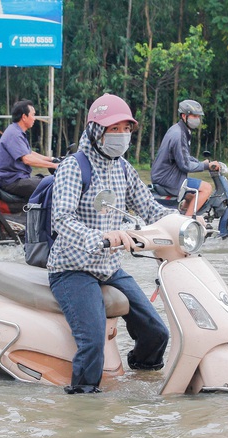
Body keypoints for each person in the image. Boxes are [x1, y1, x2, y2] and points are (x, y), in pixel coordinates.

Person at [48, 94, 174, 394]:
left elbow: (150, 208)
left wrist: (185, 222)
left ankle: (141, 381)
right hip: (72, 269)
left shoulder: (123, 168)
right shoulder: (73, 167)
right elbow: (61, 220)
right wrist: (100, 237)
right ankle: (83, 402)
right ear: (95, 130)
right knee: (92, 343)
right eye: (112, 129)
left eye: (125, 129)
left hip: (109, 267)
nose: (120, 136)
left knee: (157, 332)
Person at [150, 99, 219, 216]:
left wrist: (199, 162)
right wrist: (206, 166)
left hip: (164, 176)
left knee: (192, 196)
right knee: (207, 188)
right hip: (168, 179)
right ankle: (187, 222)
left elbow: (183, 156)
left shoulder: (178, 129)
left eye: (198, 116)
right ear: (184, 116)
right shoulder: (179, 135)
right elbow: (185, 165)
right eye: (193, 115)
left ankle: (182, 213)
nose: (197, 119)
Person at [0, 99, 58, 199]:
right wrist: (54, 165)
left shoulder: (17, 131)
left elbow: (29, 153)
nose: (34, 118)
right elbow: (27, 159)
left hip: (17, 179)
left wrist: (51, 159)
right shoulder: (14, 133)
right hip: (12, 182)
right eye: (33, 115)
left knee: (48, 180)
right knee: (52, 185)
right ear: (24, 117)